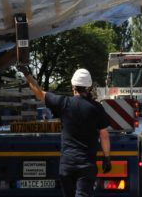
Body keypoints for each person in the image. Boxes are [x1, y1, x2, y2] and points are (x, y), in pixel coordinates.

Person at [19, 65, 112, 197]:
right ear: (89, 87)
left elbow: (40, 94)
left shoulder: (64, 103)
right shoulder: (97, 108)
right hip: (86, 165)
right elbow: (104, 136)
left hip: (67, 165)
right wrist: (107, 157)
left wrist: (27, 74)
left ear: (73, 86)